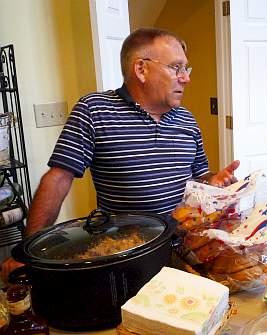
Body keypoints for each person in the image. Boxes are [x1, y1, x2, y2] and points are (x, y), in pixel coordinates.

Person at [1, 28, 239, 282]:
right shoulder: (94, 110)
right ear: (141, 69)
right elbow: (58, 180)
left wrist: (214, 182)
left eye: (185, 69)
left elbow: (200, 177)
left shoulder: (187, 120)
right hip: (125, 257)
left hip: (185, 250)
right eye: (176, 67)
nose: (185, 78)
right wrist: (28, 251)